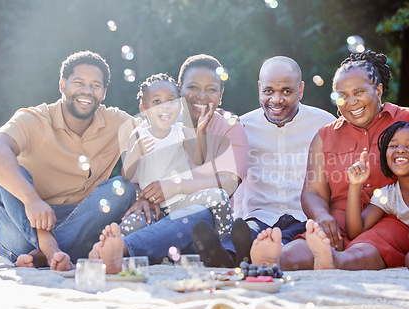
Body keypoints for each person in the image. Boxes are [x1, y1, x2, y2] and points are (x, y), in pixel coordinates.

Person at [250, 50, 409, 271]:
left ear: (378, 90)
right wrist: (322, 216)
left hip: (391, 219)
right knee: (297, 252)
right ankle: (279, 260)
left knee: (363, 249)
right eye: (343, 95)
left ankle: (336, 262)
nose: (351, 102)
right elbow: (313, 192)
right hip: (338, 219)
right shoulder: (324, 136)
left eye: (358, 92)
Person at [89, 54, 249, 274]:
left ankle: (127, 250)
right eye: (193, 87)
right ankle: (108, 250)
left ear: (220, 95)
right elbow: (134, 178)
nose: (202, 96)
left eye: (211, 90)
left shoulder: (230, 128)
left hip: (202, 216)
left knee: (198, 215)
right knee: (134, 220)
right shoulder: (156, 125)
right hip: (159, 210)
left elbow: (228, 183)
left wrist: (177, 185)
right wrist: (141, 198)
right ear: (179, 90)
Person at [0, 51, 138, 270]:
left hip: (78, 225)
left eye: (95, 85)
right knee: (8, 171)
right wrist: (32, 200)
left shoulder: (117, 122)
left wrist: (143, 190)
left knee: (123, 187)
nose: (87, 90)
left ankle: (46, 254)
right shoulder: (34, 119)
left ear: (103, 93)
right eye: (78, 82)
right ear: (62, 85)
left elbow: (151, 145)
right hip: (23, 227)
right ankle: (47, 245)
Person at [191, 56, 336, 268]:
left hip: (304, 217)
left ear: (301, 89)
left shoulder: (324, 124)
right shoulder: (242, 127)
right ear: (259, 88)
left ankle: (250, 255)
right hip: (259, 216)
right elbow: (221, 174)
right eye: (269, 91)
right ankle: (224, 253)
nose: (276, 100)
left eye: (286, 91)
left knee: (284, 243)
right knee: (244, 233)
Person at [119, 72, 232, 239]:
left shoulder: (182, 131)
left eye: (171, 101)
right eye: (157, 101)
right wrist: (135, 152)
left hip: (183, 202)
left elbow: (199, 160)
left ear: (179, 106)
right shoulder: (138, 136)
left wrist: (200, 132)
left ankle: (224, 245)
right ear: (143, 109)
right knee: (129, 227)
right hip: (152, 206)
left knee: (220, 196)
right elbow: (126, 175)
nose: (164, 107)